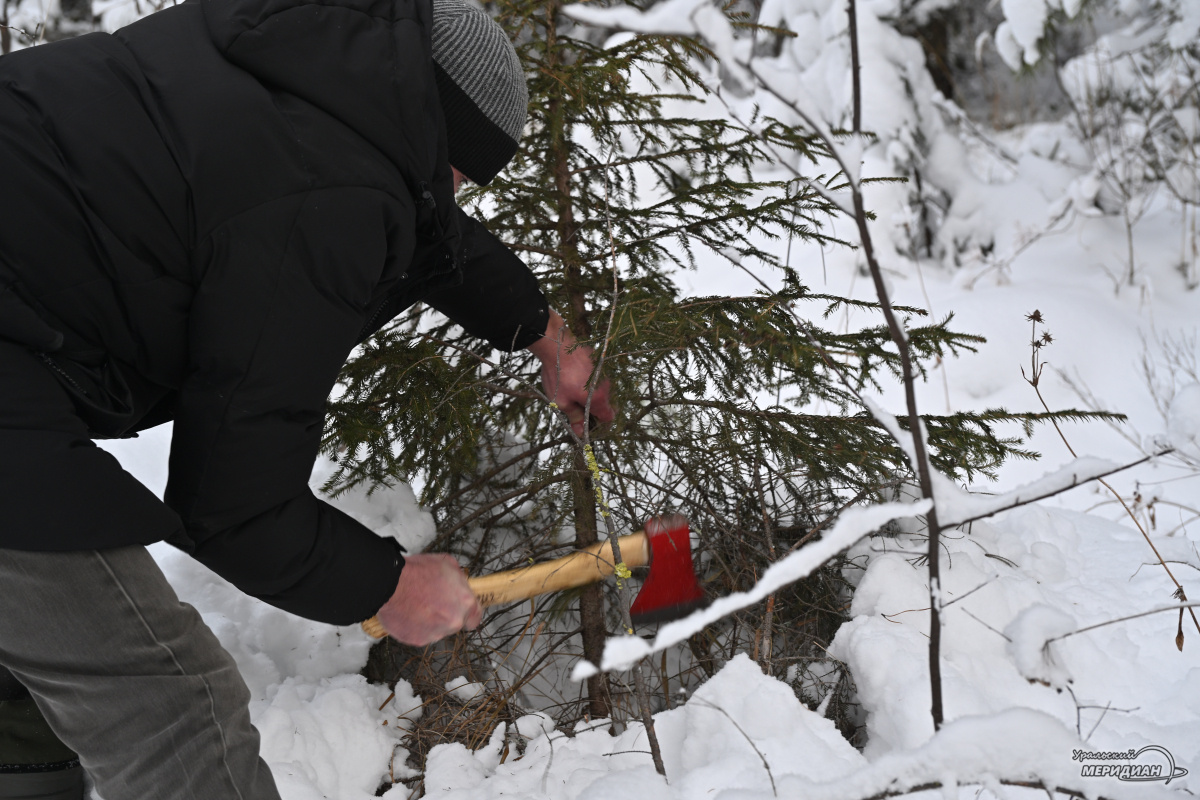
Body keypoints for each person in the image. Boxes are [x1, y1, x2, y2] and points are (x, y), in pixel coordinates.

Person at [0, 0, 614, 796]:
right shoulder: (322, 197)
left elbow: (428, 225)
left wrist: (544, 332)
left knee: (26, 668)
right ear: (436, 135)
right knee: (172, 709)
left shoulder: (285, 67)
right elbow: (233, 510)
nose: (454, 194)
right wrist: (386, 583)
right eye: (460, 174)